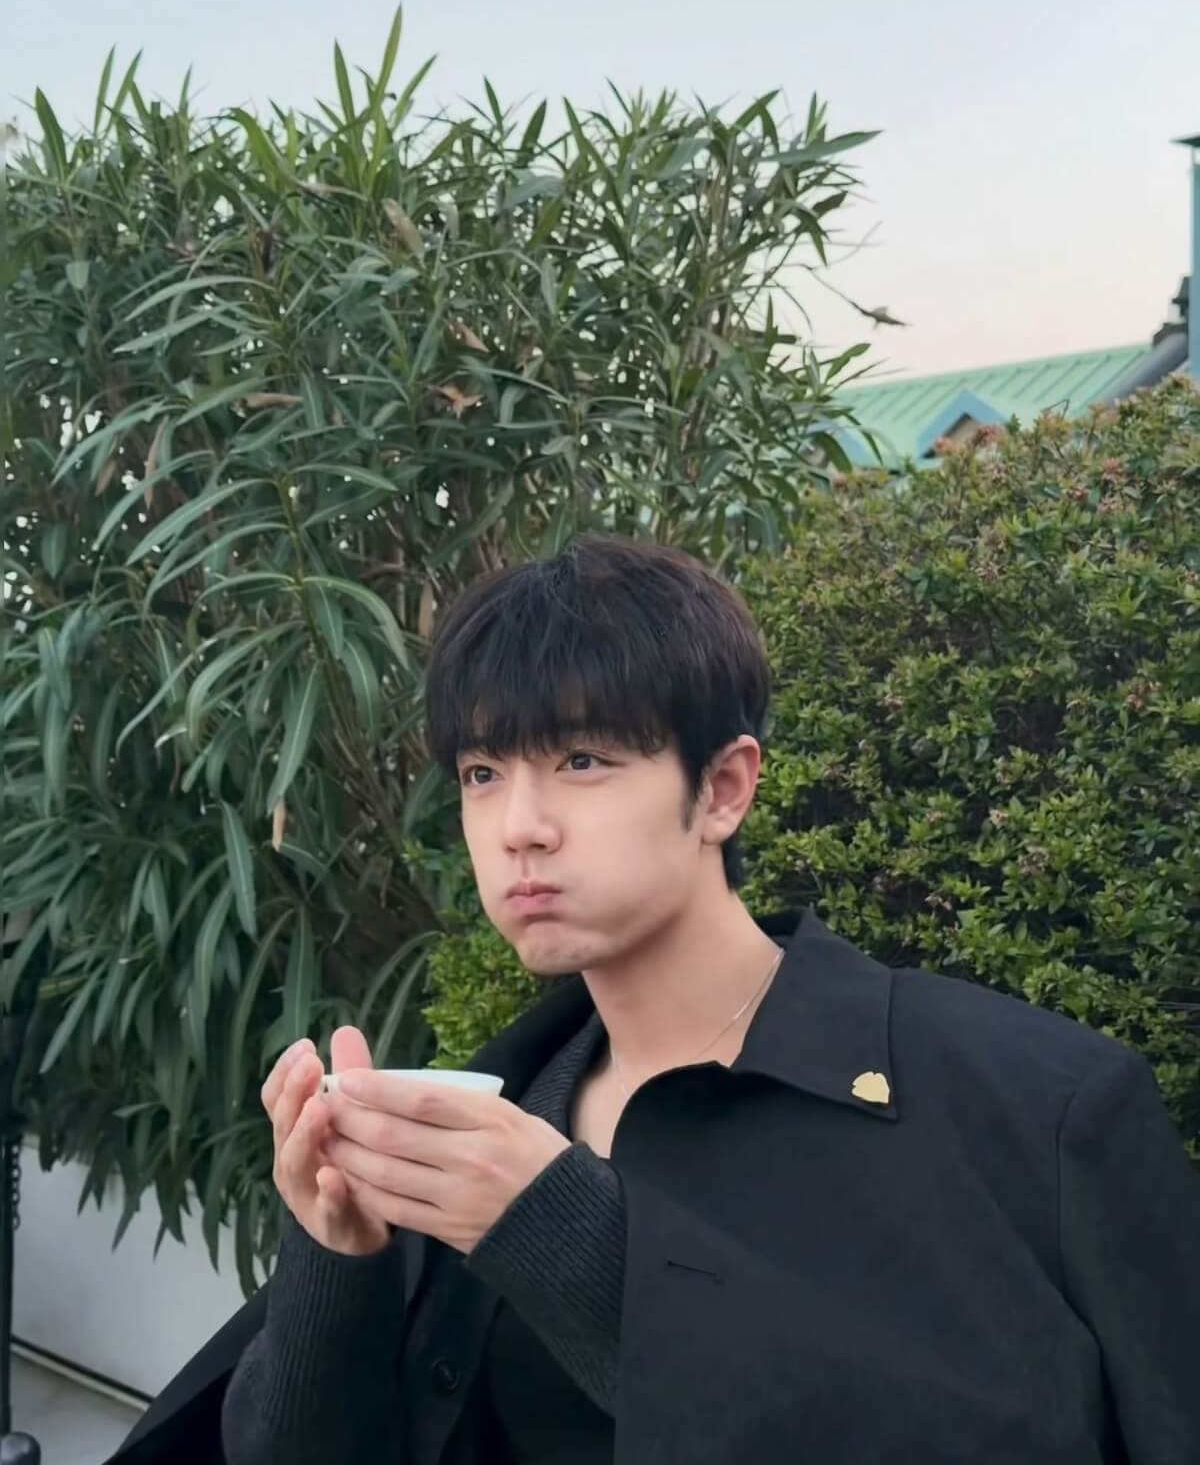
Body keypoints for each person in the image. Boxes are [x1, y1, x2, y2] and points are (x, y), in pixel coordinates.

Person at [111, 533, 1199, 1465]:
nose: (519, 826)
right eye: (483, 773)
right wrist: (335, 1261)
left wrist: (573, 1244)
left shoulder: (1038, 1110)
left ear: (722, 788)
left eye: (582, 759)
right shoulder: (496, 1115)